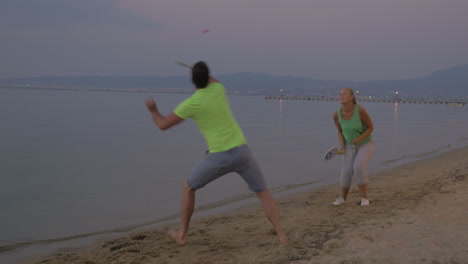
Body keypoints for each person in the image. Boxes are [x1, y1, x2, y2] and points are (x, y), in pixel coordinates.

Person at [145, 61, 287, 245]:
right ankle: (282, 236)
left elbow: (162, 125)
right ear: (208, 77)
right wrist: (200, 71)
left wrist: (153, 110)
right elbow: (213, 79)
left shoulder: (192, 103)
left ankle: (182, 235)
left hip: (219, 157)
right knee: (264, 194)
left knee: (188, 187)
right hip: (243, 153)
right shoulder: (219, 89)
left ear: (193, 81)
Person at [332, 87, 375, 206]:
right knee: (346, 171)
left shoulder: (360, 110)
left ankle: (364, 199)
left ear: (351, 97)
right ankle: (342, 198)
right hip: (349, 145)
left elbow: (371, 128)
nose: (341, 96)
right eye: (340, 94)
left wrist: (359, 139)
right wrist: (342, 146)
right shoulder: (337, 114)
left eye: (344, 94)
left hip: (366, 143)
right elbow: (340, 131)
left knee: (358, 167)